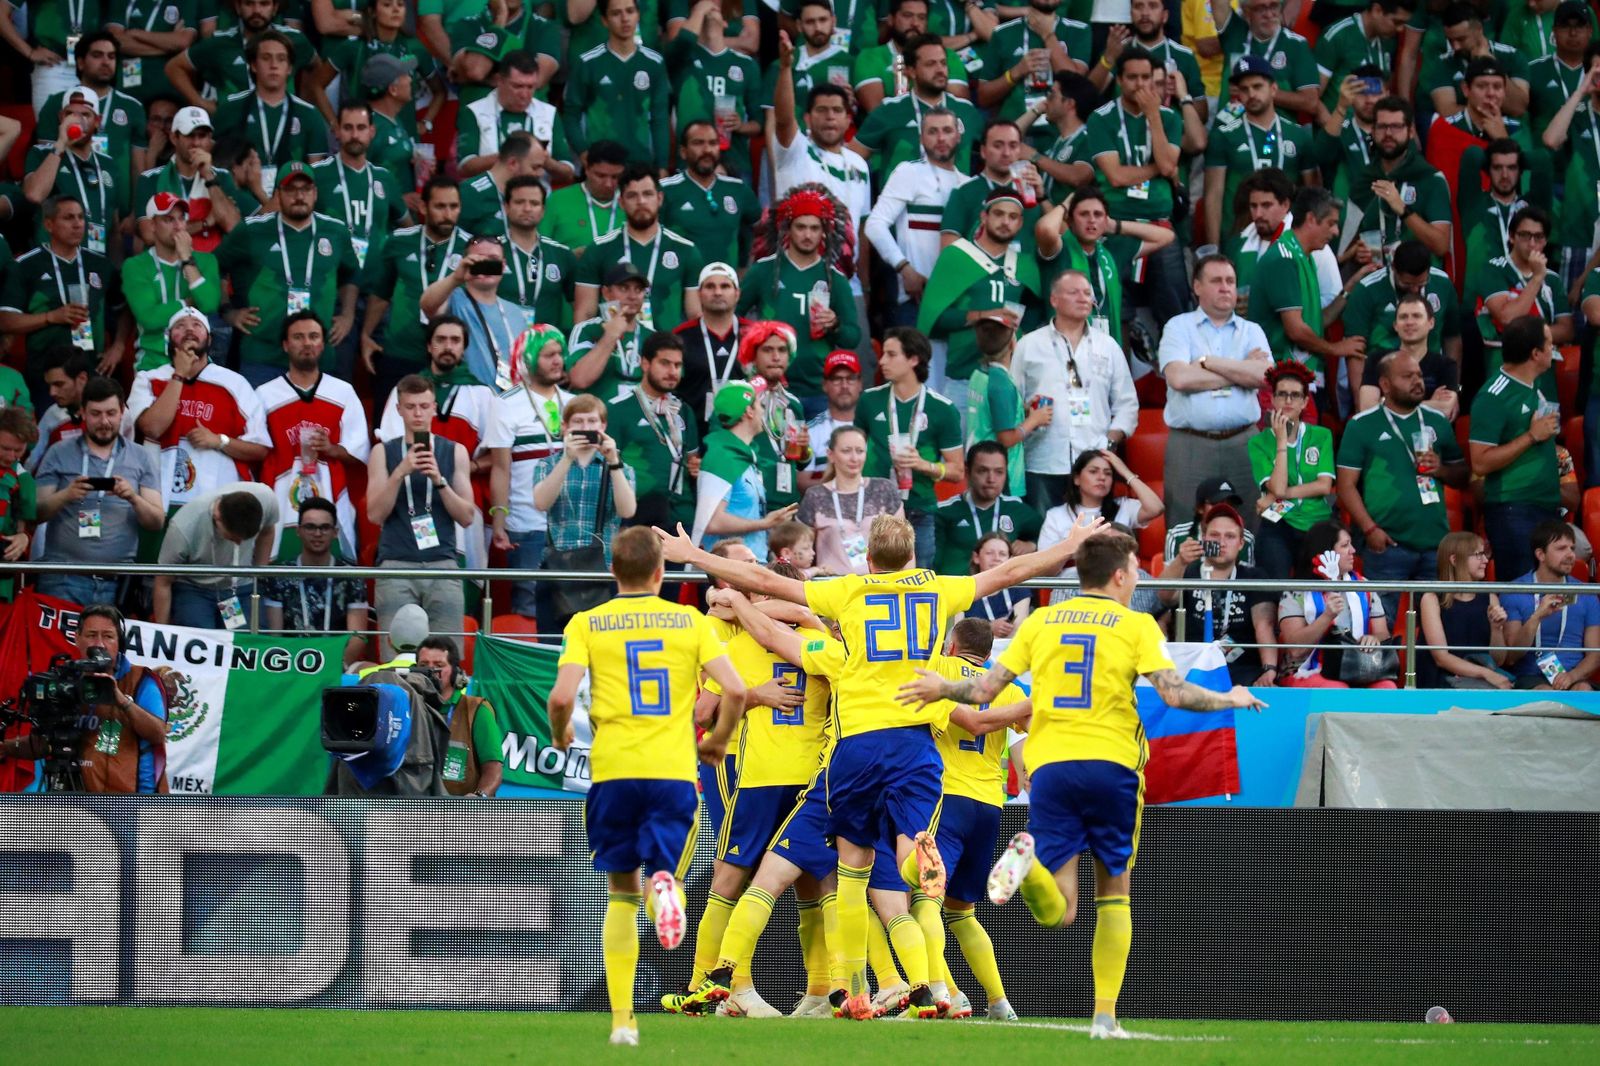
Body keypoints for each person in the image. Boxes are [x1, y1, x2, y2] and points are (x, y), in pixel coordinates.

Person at [656, 504, 1113, 1022]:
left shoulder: (847, 593)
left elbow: (764, 583)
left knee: (850, 873)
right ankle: (917, 918)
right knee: (904, 867)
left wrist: (694, 556)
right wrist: (1068, 546)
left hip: (855, 749)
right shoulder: (938, 590)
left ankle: (846, 988)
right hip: (917, 747)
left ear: (868, 559)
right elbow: (1010, 572)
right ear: (912, 556)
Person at [899, 528, 1264, 1040]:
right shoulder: (1136, 625)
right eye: (1134, 571)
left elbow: (982, 690)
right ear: (1118, 576)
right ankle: (1105, 1017)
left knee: (1061, 911)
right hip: (1112, 766)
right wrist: (1232, 698)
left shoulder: (1042, 622)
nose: (1136, 578)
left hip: (1052, 768)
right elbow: (1175, 694)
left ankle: (1029, 866)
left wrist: (942, 686)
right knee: (1114, 892)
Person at [546, 526, 747, 1047]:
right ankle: (666, 892)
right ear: (661, 572)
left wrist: (561, 732)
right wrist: (718, 740)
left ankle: (622, 1023)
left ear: (613, 571)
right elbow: (736, 689)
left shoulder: (587, 623)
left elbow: (561, 697)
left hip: (613, 771)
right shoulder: (690, 621)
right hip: (672, 771)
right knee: (665, 873)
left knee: (620, 894)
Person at [672, 558, 829, 1020]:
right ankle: (730, 986)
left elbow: (704, 710)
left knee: (778, 878)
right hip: (748, 767)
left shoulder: (744, 638)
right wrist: (758, 694)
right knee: (757, 875)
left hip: (767, 771)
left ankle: (810, 989)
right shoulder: (814, 642)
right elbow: (702, 713)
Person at [1337, 349, 1469, 617]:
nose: (1417, 381)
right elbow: (1345, 486)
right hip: (1387, 545)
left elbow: (1462, 475)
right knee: (1380, 624)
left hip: (1434, 543)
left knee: (1435, 629)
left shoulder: (1437, 421)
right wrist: (1370, 529)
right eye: (1408, 376)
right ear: (1385, 384)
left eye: (1419, 375)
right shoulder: (1362, 425)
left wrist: (1441, 469)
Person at [214, 161, 359, 387]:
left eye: (305, 189)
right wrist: (228, 312)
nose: (299, 196)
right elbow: (215, 266)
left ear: (315, 193)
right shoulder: (252, 230)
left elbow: (351, 274)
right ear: (278, 194)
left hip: (318, 358)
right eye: (290, 189)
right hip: (262, 357)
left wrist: (348, 315)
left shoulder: (336, 231)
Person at [367, 375, 479, 657]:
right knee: (396, 658)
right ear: (399, 409)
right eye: (410, 407)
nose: (417, 413)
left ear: (434, 408)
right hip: (396, 563)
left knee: (447, 657)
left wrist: (439, 481)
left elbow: (467, 516)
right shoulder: (382, 452)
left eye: (424, 406)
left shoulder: (455, 451)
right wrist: (399, 473)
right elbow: (374, 514)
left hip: (442, 562)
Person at [1158, 253, 1273, 522]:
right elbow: (1180, 379)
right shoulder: (1178, 327)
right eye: (1216, 281)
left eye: (1230, 281)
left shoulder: (1252, 330)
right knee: (1184, 522)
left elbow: (1267, 377)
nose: (1225, 287)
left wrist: (1207, 362)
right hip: (1191, 443)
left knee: (1248, 523)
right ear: (1197, 286)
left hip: (1244, 441)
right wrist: (1242, 370)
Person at [1010, 271, 1137, 514]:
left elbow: (1127, 404)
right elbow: (1013, 400)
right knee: (1044, 534)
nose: (1083, 298)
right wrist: (1029, 415)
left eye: (1087, 293)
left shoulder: (1107, 346)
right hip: (1043, 461)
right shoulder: (1029, 345)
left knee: (1093, 535)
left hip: (1094, 463)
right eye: (1074, 292)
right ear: (1054, 300)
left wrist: (1109, 442)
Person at [1079, 47, 1188, 325]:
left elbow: (1168, 166)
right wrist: (1158, 169)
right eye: (1132, 77)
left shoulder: (1169, 118)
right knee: (1116, 312)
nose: (1140, 84)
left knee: (1175, 313)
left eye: (1146, 77)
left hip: (1159, 224)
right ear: (1119, 80)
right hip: (1116, 225)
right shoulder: (1101, 118)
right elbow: (1116, 176)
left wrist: (1153, 117)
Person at [32, 377, 163, 607]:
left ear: (122, 412)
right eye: (96, 414)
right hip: (62, 578)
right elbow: (35, 513)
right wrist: (65, 496)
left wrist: (133, 498)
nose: (104, 421)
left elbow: (156, 521)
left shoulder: (141, 457)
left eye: (111, 413)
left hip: (117, 582)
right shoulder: (58, 452)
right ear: (82, 412)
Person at [129, 308, 271, 516]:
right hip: (159, 501)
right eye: (180, 326)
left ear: (209, 339)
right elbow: (153, 428)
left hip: (218, 507)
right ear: (169, 338)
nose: (189, 329)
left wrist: (219, 441)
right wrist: (179, 374)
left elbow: (260, 449)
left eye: (197, 325)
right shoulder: (148, 379)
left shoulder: (235, 384)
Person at [256, 312, 371, 560]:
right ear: (285, 345)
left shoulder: (343, 392)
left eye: (313, 336)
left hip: (330, 492)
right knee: (281, 567)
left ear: (322, 344)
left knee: (332, 569)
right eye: (298, 337)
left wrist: (332, 448)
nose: (307, 343)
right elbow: (256, 450)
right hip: (280, 496)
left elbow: (360, 452)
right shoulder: (264, 395)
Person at [739, 188, 861, 409]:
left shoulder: (836, 279)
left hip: (817, 390)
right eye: (801, 227)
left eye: (814, 228)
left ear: (824, 232)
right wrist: (754, 337)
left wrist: (835, 325)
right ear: (788, 229)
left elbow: (852, 338)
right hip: (769, 387)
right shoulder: (763, 271)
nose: (808, 235)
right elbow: (733, 316)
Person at [853, 327, 964, 569]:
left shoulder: (942, 409)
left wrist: (923, 465)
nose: (882, 361)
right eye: (883, 354)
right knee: (868, 576)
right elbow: (852, 450)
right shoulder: (869, 401)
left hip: (919, 508)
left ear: (914, 359)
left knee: (916, 581)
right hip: (873, 507)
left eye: (891, 354)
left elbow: (957, 471)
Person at [918, 187, 1035, 410]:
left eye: (1013, 217)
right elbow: (933, 321)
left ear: (1020, 223)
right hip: (965, 378)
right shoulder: (956, 256)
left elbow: (1037, 315)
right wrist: (983, 316)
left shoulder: (1026, 265)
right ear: (984, 216)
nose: (1005, 222)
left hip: (1012, 379)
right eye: (998, 214)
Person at [1247, 186, 1365, 404]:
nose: (1335, 232)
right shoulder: (1284, 259)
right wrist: (1335, 349)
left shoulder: (1304, 256)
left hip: (1300, 376)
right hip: (1281, 382)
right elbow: (1296, 330)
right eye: (1331, 223)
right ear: (1311, 219)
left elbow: (1317, 321)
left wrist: (1350, 287)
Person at [531, 393, 638, 627]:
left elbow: (627, 510)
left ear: (603, 426)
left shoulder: (621, 467)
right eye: (578, 422)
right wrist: (567, 459)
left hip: (604, 570)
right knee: (553, 642)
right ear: (565, 427)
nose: (586, 428)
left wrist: (614, 461)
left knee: (602, 644)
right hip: (557, 567)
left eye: (592, 421)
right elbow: (541, 503)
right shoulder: (547, 464)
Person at [1469, 315, 1563, 582]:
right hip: (1513, 510)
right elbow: (1480, 462)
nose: (1553, 349)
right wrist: (1531, 436)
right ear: (1536, 353)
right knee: (1521, 595)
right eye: (1549, 343)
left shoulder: (1535, 385)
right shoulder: (1493, 396)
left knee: (1546, 595)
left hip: (1545, 507)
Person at [363, 178, 471, 407]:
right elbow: (381, 294)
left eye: (454, 206)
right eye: (440, 206)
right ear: (423, 207)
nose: (448, 214)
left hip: (449, 357)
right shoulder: (399, 241)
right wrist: (366, 334)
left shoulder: (470, 248)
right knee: (391, 420)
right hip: (400, 352)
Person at [0, 195, 120, 394]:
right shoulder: (25, 266)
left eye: (81, 217)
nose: (77, 224)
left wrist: (118, 346)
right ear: (49, 224)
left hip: (91, 372)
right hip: (45, 376)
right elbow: (5, 320)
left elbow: (123, 307)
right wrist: (51, 317)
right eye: (69, 218)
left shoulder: (101, 264)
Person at [1034, 186, 1173, 352]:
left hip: (1106, 348)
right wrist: (1065, 205)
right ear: (1070, 220)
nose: (1091, 220)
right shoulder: (1060, 248)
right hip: (1064, 347)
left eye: (1098, 214)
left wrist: (1115, 226)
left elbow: (1166, 236)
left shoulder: (1112, 250)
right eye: (1084, 214)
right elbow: (1045, 229)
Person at [864, 107, 969, 322]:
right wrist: (904, 269)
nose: (941, 138)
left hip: (956, 300)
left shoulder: (968, 185)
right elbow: (875, 225)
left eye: (947, 130)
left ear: (958, 136)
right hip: (914, 298)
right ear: (921, 138)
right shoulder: (909, 172)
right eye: (932, 131)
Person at [1203, 56, 1318, 250]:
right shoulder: (1223, 135)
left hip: (1288, 239)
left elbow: (1313, 192)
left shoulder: (1298, 135)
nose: (1251, 94)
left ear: (1273, 89)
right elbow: (1213, 194)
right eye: (1244, 89)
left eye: (1257, 87)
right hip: (1238, 239)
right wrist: (1213, 249)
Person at [1158, 504, 1281, 686]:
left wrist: (1269, 669)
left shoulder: (1254, 577)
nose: (1222, 542)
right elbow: (1164, 597)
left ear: (1241, 544)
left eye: (1230, 536)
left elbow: (1264, 625)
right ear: (1204, 538)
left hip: (1242, 670)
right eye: (1215, 535)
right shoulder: (1188, 571)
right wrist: (1180, 561)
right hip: (1192, 668)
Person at [574, 164, 703, 331]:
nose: (641, 201)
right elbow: (585, 313)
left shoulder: (685, 250)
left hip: (667, 344)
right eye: (632, 196)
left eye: (647, 194)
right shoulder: (599, 249)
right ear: (621, 202)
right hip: (614, 344)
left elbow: (695, 315)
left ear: (660, 198)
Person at [1277, 519, 1397, 690]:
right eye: (1345, 545)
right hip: (1305, 670)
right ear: (1325, 551)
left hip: (1357, 666)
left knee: (1387, 687)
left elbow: (1383, 634)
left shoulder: (1364, 586)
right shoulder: (1295, 593)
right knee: (1336, 688)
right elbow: (1295, 650)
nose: (1353, 550)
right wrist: (1327, 617)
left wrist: (1374, 639)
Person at [852, 34, 983, 182]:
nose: (940, 69)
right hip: (901, 196)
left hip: (955, 196)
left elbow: (995, 151)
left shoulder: (966, 111)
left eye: (943, 63)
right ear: (911, 71)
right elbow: (851, 158)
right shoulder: (889, 110)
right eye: (931, 64)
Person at [563, 0, 671, 172]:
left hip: (641, 165)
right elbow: (571, 115)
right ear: (604, 21)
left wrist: (662, 166)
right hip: (601, 165)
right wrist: (584, 153)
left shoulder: (654, 63)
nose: (624, 19)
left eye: (630, 11)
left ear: (638, 15)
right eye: (616, 13)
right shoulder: (587, 63)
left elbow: (660, 119)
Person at [1250, 361, 1335, 579]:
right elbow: (1278, 488)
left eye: (1295, 395)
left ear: (1305, 402)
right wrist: (1281, 441)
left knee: (1317, 588)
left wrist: (1273, 497)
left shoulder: (1321, 435)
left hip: (1317, 521)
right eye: (1282, 394)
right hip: (1280, 520)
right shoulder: (1258, 442)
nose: (1288, 400)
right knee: (1274, 584)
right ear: (1272, 399)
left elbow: (1324, 486)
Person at [607, 332, 700, 531]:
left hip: (681, 516)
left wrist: (696, 467)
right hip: (637, 516)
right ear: (645, 364)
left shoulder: (684, 410)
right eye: (665, 363)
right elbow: (608, 466)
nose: (672, 371)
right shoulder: (617, 409)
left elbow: (692, 461)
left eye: (677, 365)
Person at [694, 381, 797, 559]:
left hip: (749, 564)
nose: (762, 411)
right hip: (729, 568)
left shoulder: (744, 456)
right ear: (749, 411)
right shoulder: (721, 458)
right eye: (759, 405)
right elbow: (712, 522)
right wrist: (765, 523)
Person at [1471, 205, 1573, 385]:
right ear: (1511, 237)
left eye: (1538, 237)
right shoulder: (1493, 270)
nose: (1532, 243)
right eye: (1525, 235)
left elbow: (1567, 330)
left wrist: (1527, 335)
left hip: (1544, 371)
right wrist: (1537, 278)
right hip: (1504, 367)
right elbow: (1507, 318)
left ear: (1546, 240)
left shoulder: (1552, 279)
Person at [153, 484, 279, 629]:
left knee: (244, 637)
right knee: (199, 637)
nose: (239, 543)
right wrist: (162, 631)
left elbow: (268, 531)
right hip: (195, 588)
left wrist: (258, 573)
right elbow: (163, 582)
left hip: (238, 586)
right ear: (217, 517)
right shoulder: (184, 526)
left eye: (245, 539)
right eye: (233, 538)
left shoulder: (266, 498)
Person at [73, 605, 170, 794]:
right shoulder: (69, 680)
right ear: (77, 638)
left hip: (133, 800)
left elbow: (158, 734)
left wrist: (121, 700)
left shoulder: (142, 680)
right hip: (76, 798)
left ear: (120, 642)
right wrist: (13, 746)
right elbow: (44, 743)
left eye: (108, 636)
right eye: (91, 635)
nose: (99, 645)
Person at [261, 497, 368, 667]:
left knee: (370, 670)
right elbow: (274, 635)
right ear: (298, 531)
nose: (317, 534)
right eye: (310, 527)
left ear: (335, 532)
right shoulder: (279, 575)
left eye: (324, 527)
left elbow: (358, 636)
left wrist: (336, 666)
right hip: (290, 664)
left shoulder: (351, 575)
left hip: (338, 663)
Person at [310, 101, 409, 283]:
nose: (355, 135)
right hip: (331, 283)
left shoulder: (384, 178)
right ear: (336, 131)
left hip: (376, 286)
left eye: (361, 128)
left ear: (372, 131)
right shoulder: (316, 175)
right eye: (348, 128)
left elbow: (408, 228)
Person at [1343, 240, 1464, 388]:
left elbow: (1452, 337)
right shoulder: (1367, 290)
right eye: (1407, 284)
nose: (1414, 290)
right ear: (1393, 268)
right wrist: (1361, 398)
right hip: (1382, 381)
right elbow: (1355, 351)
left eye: (1421, 284)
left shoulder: (1442, 283)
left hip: (1430, 379)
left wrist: (1452, 387)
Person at [666, 2, 764, 183]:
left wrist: (740, 126)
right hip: (690, 164)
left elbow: (759, 123)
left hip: (735, 162)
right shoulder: (682, 60)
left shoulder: (746, 65)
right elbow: (684, 40)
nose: (709, 6)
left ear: (725, 23)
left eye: (715, 9)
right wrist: (700, 9)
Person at [124, 193, 222, 371]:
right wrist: (188, 303)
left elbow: (208, 305)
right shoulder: (136, 266)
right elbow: (149, 318)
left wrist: (186, 259)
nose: (178, 226)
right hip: (153, 364)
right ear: (152, 225)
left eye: (181, 218)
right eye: (169, 220)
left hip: (198, 363)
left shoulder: (207, 261)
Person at [22, 83, 121, 261]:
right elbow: (34, 194)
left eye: (85, 115)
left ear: (97, 121)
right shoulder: (42, 154)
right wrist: (60, 144)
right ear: (61, 118)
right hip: (52, 262)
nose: (77, 121)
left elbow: (113, 226)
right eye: (70, 114)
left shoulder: (108, 164)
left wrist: (115, 270)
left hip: (96, 264)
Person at [420, 234, 530, 390]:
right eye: (478, 259)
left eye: (492, 259)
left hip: (511, 396)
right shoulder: (454, 298)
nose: (485, 265)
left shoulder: (516, 312)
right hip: (467, 394)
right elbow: (427, 305)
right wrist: (456, 278)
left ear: (503, 265)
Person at [1349, 96, 1452, 262]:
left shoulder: (1431, 179)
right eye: (1382, 127)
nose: (1388, 133)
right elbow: (1345, 245)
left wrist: (1403, 210)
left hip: (1421, 275)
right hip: (1376, 273)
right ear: (1373, 131)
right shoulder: (1364, 179)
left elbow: (1440, 246)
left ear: (1411, 131)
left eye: (1396, 126)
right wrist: (1356, 253)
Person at [1501, 519, 1600, 692]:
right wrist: (1537, 617)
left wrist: (1572, 676)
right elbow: (1511, 657)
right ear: (1540, 555)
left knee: (1583, 689)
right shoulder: (1515, 591)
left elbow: (1595, 655)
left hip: (1574, 676)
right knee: (1544, 692)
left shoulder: (1587, 594)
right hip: (1530, 677)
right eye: (1561, 548)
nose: (1570, 555)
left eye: (1572, 548)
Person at [131, 106, 244, 256]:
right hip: (166, 266)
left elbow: (233, 227)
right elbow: (149, 235)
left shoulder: (222, 177)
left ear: (210, 139)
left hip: (211, 264)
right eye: (190, 135)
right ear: (174, 138)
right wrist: (205, 223)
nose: (196, 143)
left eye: (202, 136)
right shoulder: (150, 179)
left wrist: (209, 177)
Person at [797, 425, 904, 576]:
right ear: (830, 455)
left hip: (877, 584)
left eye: (860, 451)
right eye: (846, 451)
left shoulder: (884, 489)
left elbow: (904, 547)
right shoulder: (815, 496)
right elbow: (798, 549)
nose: (854, 458)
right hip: (832, 585)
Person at [1038, 450, 1164, 575]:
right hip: (1074, 580)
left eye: (1108, 473)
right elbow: (1043, 566)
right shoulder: (1056, 516)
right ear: (1077, 479)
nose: (1102, 477)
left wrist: (1125, 472)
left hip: (1118, 577)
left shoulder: (1124, 507)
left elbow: (1156, 508)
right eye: (1093, 472)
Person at [456, 51, 573, 183]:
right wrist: (513, 155)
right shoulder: (474, 111)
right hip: (491, 193)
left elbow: (568, 171)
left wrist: (543, 160)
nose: (524, 94)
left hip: (537, 193)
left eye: (530, 87)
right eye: (518, 86)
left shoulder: (548, 113)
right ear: (500, 81)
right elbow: (465, 166)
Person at [1418, 531, 1514, 689]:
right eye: (1478, 555)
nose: (1485, 560)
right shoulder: (1432, 598)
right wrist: (1486, 674)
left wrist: (1496, 629)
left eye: (1485, 554)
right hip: (1442, 681)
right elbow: (1441, 658)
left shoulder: (1490, 598)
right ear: (1454, 560)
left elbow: (1498, 660)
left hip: (1482, 680)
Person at [660, 121, 760, 271]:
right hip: (682, 281)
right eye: (698, 143)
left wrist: (744, 267)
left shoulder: (737, 188)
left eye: (713, 143)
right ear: (683, 152)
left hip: (725, 282)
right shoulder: (666, 190)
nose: (707, 150)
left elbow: (759, 228)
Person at [934, 440, 1042, 576]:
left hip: (1001, 587)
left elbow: (1048, 535)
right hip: (958, 587)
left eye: (999, 472)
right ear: (968, 472)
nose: (991, 479)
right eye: (983, 471)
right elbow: (929, 562)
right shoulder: (944, 511)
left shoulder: (1016, 509)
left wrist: (1032, 544)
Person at [416, 635, 505, 798]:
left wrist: (479, 796)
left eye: (439, 665)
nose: (431, 671)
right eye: (423, 665)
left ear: (455, 672)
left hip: (461, 809)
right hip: (413, 808)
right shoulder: (408, 707)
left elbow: (493, 770)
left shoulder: (476, 709)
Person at [672, 262, 748, 439]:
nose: (718, 292)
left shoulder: (754, 334)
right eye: (710, 286)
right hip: (692, 434)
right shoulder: (680, 336)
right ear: (699, 294)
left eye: (725, 286)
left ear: (737, 294)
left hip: (742, 433)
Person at [495, 175, 578, 332]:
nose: (527, 208)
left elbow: (581, 307)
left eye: (534, 203)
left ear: (543, 210)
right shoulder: (491, 253)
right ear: (506, 207)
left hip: (548, 344)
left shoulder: (561, 254)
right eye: (519, 202)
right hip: (501, 341)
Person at [1419, 3, 1530, 119]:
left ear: (1479, 30)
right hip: (1464, 129)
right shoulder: (1442, 64)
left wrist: (1492, 64)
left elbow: (1518, 108)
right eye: (1450, 41)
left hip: (1510, 128)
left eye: (1461, 39)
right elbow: (1447, 111)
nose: (1455, 47)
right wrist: (1491, 111)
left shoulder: (1513, 56)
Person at [1211, 0, 1321, 114]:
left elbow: (1310, 102)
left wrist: (1258, 91)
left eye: (1274, 6)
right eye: (1260, 8)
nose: (1269, 14)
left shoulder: (1296, 44)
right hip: (1230, 122)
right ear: (1246, 12)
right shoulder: (1234, 32)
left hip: (1276, 124)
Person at [567, 261, 655, 402]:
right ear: (606, 293)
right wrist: (610, 336)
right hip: (596, 413)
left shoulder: (652, 337)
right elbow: (579, 380)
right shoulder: (587, 329)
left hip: (638, 413)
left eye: (638, 290)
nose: (632, 296)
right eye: (624, 288)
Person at [543, 139, 628, 253]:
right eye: (601, 176)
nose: (608, 184)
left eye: (615, 177)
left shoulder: (632, 202)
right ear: (587, 169)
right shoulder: (556, 200)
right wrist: (569, 256)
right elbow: (540, 243)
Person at [26, 348, 96, 471]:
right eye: (49, 385)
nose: (52, 392)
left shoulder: (113, 413)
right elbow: (32, 462)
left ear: (82, 378)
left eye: (59, 384)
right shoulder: (52, 414)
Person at [1165, 476, 1257, 567]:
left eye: (1230, 504)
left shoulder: (1246, 539)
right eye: (1216, 503)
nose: (1224, 509)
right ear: (1200, 508)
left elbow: (1248, 575)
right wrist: (1180, 562)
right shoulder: (1177, 536)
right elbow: (1166, 577)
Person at [802, 350, 862, 483]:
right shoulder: (811, 431)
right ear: (825, 385)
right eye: (837, 379)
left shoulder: (872, 426)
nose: (844, 385)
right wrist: (844, 488)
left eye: (851, 378)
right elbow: (802, 482)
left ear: (860, 384)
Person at [962, 533, 1033, 638]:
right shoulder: (964, 588)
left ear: (1010, 559)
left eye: (1002, 554)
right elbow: (957, 632)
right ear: (976, 557)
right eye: (990, 553)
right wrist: (989, 628)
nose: (996, 558)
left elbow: (1018, 631)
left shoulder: (1020, 588)